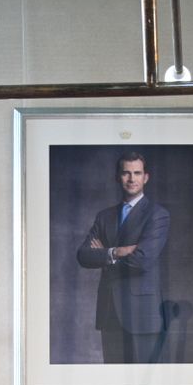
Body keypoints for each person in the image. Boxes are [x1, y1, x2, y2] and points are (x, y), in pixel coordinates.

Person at [75, 151, 171, 363]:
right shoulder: (104, 216)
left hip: (142, 315)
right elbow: (83, 255)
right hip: (110, 312)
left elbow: (142, 260)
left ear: (146, 177)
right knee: (114, 384)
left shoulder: (157, 215)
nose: (131, 179)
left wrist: (104, 256)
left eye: (137, 173)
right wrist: (116, 251)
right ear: (117, 177)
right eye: (126, 173)